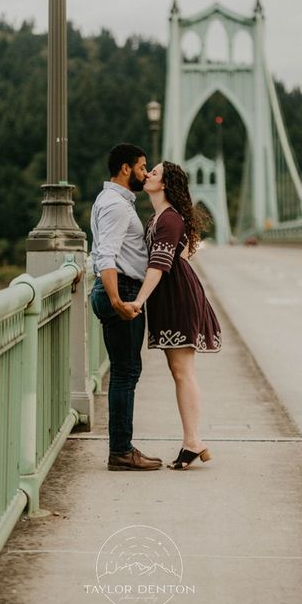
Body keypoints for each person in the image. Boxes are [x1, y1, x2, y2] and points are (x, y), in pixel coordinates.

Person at [128, 161, 222, 471]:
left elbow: (159, 265)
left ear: (165, 184)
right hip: (174, 296)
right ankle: (192, 439)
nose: (148, 175)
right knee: (179, 370)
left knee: (183, 371)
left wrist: (140, 299)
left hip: (177, 298)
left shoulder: (168, 219)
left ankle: (193, 441)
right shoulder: (160, 218)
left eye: (154, 173)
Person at [90, 143, 162, 472]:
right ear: (124, 168)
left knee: (125, 370)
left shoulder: (111, 201)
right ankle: (120, 451)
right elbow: (105, 255)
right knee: (125, 372)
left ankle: (122, 447)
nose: (145, 173)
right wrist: (118, 300)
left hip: (121, 289)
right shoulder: (116, 206)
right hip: (123, 290)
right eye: (142, 166)